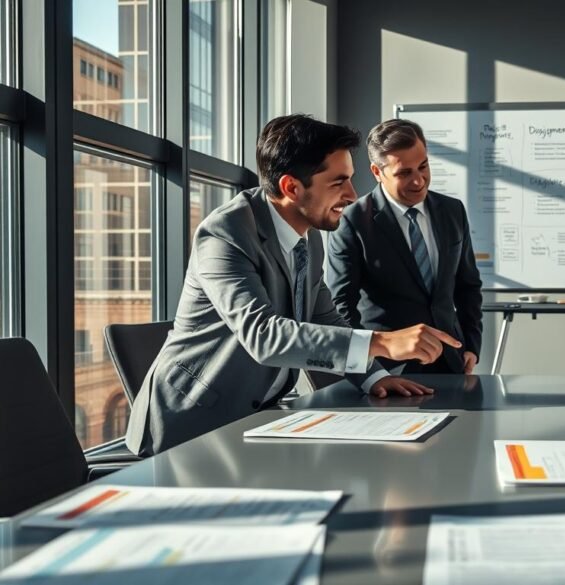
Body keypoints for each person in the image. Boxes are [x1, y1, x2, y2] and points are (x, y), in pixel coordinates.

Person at [126, 115, 460, 456]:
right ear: (291, 187)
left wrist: (374, 378)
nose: (352, 194)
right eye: (338, 182)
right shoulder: (224, 235)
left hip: (255, 419)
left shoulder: (307, 237)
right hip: (190, 430)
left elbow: (325, 316)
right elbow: (264, 335)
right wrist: (383, 342)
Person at [325, 119, 482, 374]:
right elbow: (341, 305)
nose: (419, 181)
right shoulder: (351, 222)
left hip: (452, 361)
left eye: (423, 167)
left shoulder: (453, 211)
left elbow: (468, 286)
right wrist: (369, 371)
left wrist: (472, 347)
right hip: (387, 370)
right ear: (377, 172)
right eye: (404, 173)